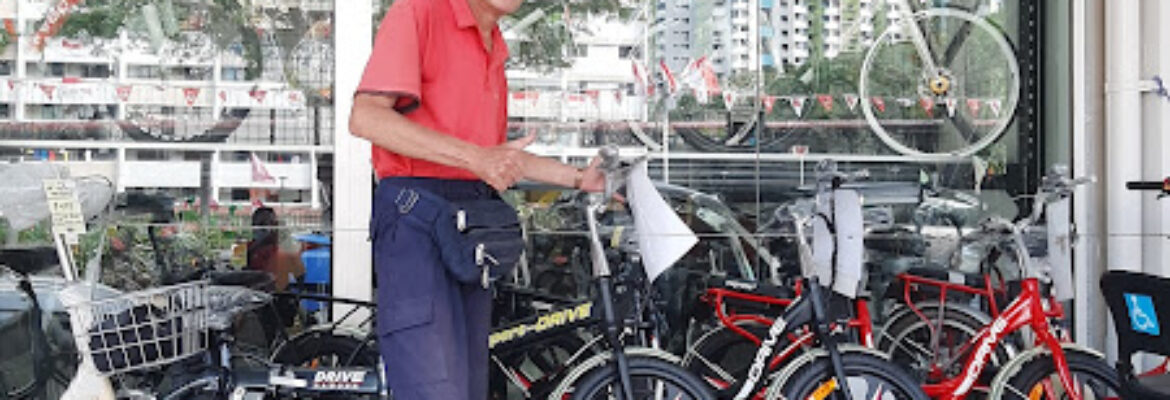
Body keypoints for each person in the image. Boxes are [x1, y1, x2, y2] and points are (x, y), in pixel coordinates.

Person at [348, 0, 605, 398]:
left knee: (468, 389)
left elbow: (496, 156)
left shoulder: (494, 43)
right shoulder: (420, 11)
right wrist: (477, 158)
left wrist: (578, 178)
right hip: (417, 215)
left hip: (472, 223)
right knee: (433, 390)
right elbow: (365, 117)